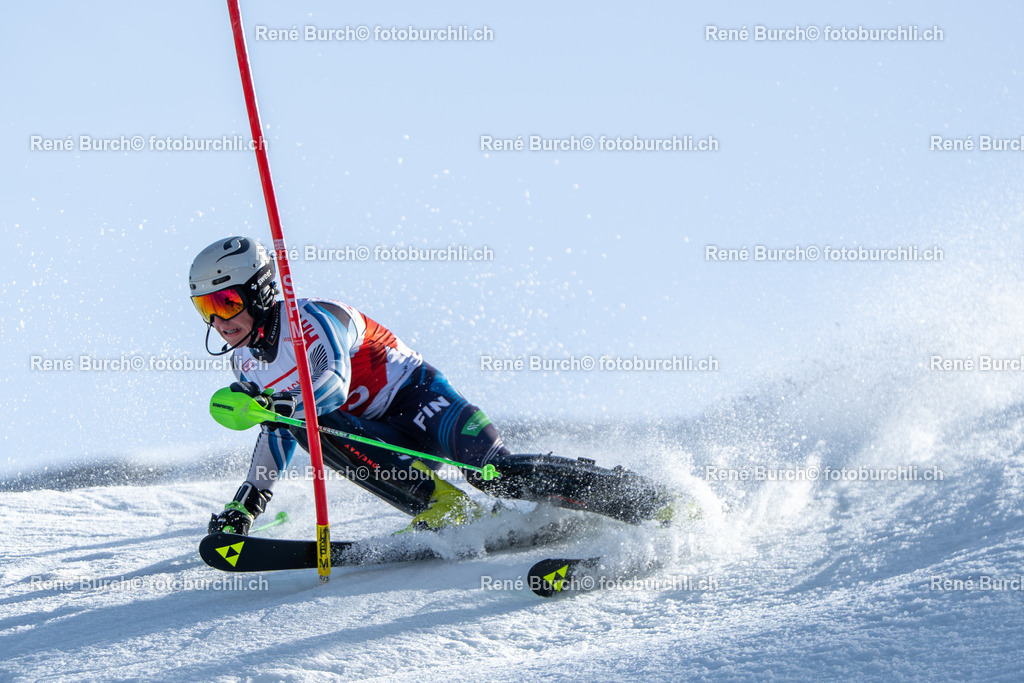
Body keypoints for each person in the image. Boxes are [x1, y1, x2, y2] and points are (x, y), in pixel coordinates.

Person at [190, 236, 674, 536]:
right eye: (206, 310)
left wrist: (275, 403)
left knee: (495, 473)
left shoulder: (313, 319)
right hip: (379, 437)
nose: (219, 320)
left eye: (227, 302)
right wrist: (249, 501)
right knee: (294, 423)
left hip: (421, 401)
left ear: (260, 290)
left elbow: (331, 386)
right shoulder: (246, 365)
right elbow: (281, 427)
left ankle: (639, 496)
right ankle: (441, 506)